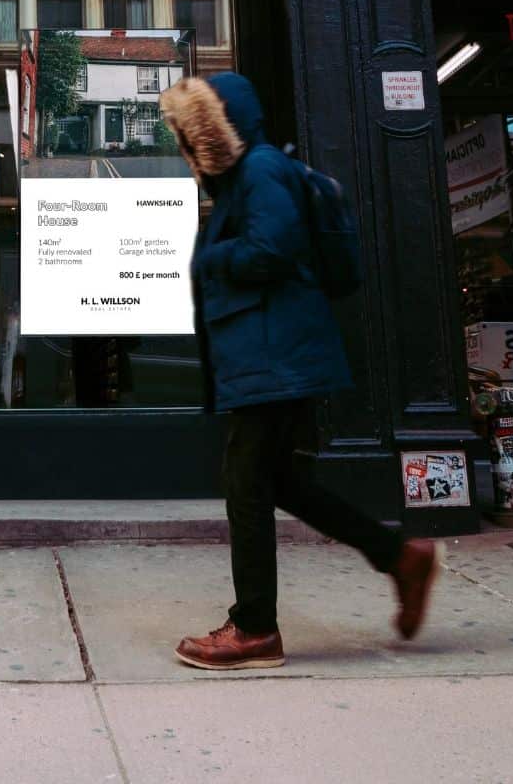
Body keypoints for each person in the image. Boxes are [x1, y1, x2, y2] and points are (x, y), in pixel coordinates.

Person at [158, 72, 441, 671]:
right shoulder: (244, 179)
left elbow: (271, 250)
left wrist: (211, 257)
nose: (189, 145)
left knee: (246, 485)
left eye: (193, 131)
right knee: (278, 482)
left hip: (275, 355)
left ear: (218, 125)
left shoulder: (260, 170)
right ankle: (398, 555)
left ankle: (255, 628)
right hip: (271, 353)